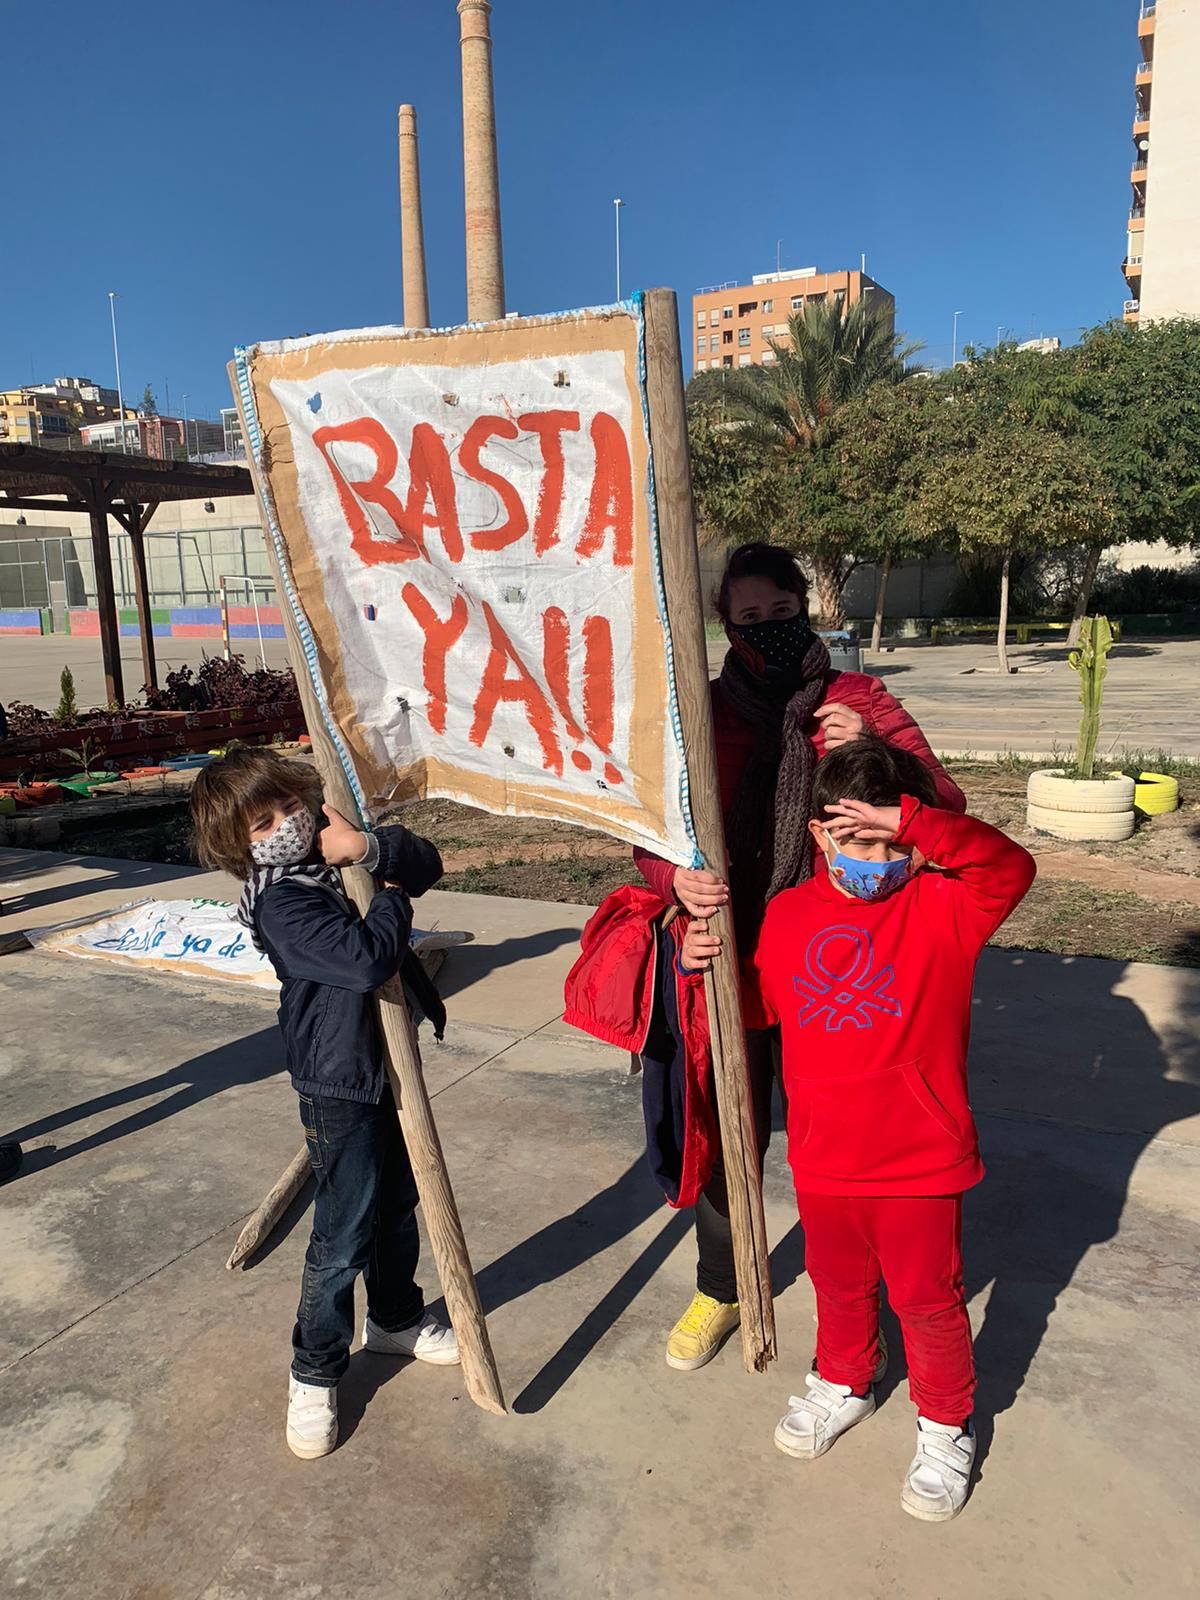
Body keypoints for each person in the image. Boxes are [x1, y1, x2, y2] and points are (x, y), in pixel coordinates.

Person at [681, 736, 1035, 1521]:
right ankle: (845, 1378)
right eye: (856, 839)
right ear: (818, 837)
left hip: (921, 1157)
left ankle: (946, 1423)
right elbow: (758, 1010)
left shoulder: (948, 904)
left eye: (891, 841)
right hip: (823, 1156)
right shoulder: (787, 913)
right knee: (840, 1284)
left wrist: (913, 823)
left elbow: (1011, 868)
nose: (876, 855)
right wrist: (703, 966)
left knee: (927, 1298)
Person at [632, 542, 966, 1372]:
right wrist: (675, 878)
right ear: (725, 624)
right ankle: (723, 1284)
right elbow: (653, 830)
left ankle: (863, 1301)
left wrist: (877, 754)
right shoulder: (701, 712)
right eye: (750, 620)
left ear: (804, 608)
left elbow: (945, 803)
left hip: (841, 961)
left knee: (846, 1130)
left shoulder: (858, 697)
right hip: (733, 955)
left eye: (782, 615)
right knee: (728, 1126)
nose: (770, 631)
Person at [190, 747, 458, 1461]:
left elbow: (428, 861)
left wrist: (369, 847)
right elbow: (367, 957)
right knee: (342, 1233)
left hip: (388, 1060)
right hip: (338, 1078)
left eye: (287, 807)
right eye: (262, 823)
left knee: (397, 1204)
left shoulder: (337, 848)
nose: (286, 826)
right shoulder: (282, 900)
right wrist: (389, 888)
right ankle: (314, 1367)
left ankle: (396, 1319)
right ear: (236, 846)